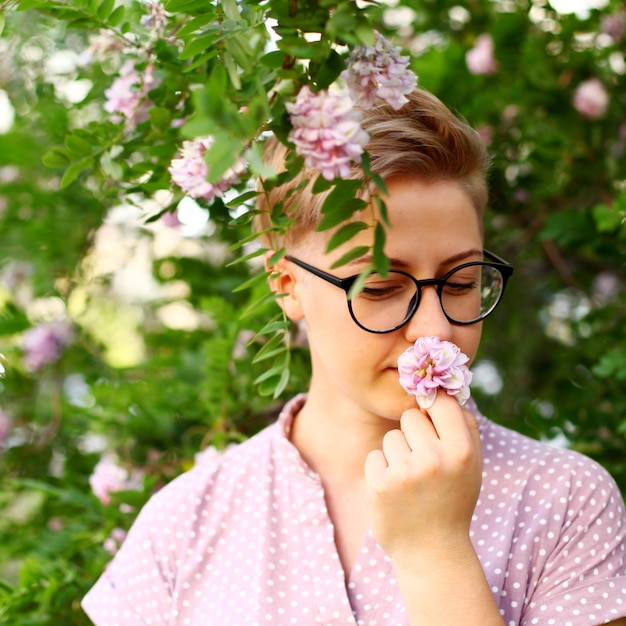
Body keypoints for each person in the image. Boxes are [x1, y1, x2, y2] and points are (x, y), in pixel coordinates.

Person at [82, 88, 626, 625]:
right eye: (382, 286)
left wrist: (435, 553)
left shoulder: (565, 503)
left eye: (462, 280)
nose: (434, 331)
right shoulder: (182, 525)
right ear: (287, 283)